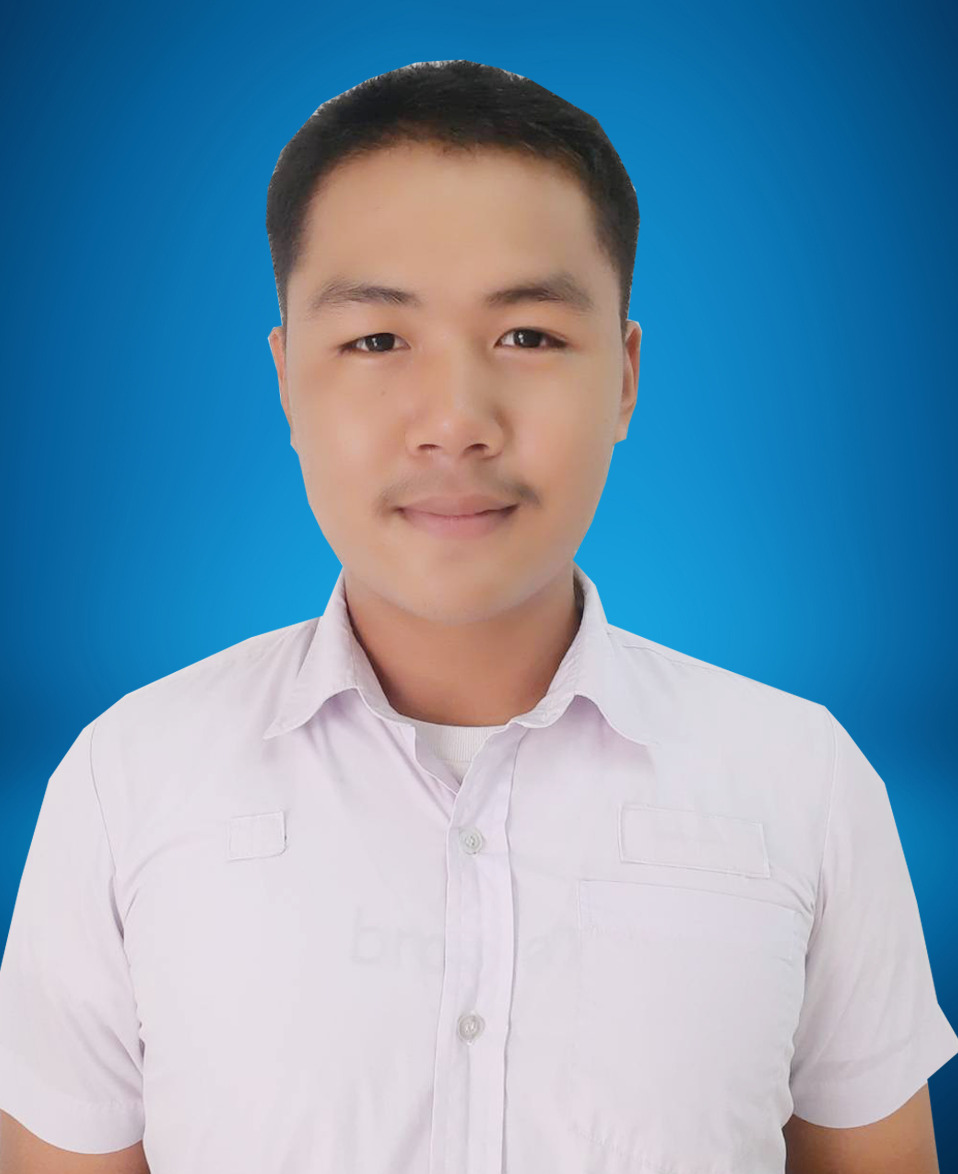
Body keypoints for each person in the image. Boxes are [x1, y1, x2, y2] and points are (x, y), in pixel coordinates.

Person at [0, 59, 955, 1174]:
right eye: (376, 340)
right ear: (286, 380)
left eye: (528, 336)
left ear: (625, 378)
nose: (455, 421)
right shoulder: (127, 785)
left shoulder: (801, 781)